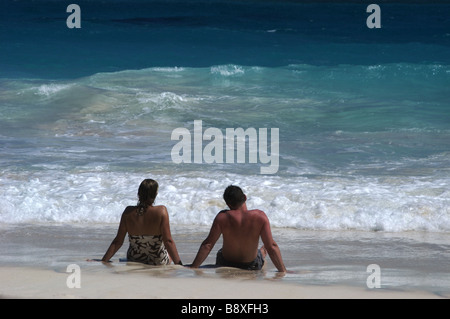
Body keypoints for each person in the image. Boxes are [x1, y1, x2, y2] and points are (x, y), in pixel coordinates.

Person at [190, 185, 287, 272]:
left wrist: (193, 266)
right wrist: (283, 271)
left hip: (225, 263)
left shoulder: (222, 217)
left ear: (228, 204)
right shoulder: (259, 216)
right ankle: (262, 251)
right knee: (265, 248)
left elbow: (208, 245)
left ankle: (261, 251)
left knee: (221, 251)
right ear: (245, 197)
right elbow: (272, 247)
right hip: (251, 265)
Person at [101, 179, 182, 265]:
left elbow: (118, 241)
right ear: (155, 194)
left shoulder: (128, 212)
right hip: (157, 260)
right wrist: (179, 264)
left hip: (134, 258)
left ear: (138, 193)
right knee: (169, 254)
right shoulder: (161, 211)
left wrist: (104, 260)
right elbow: (168, 241)